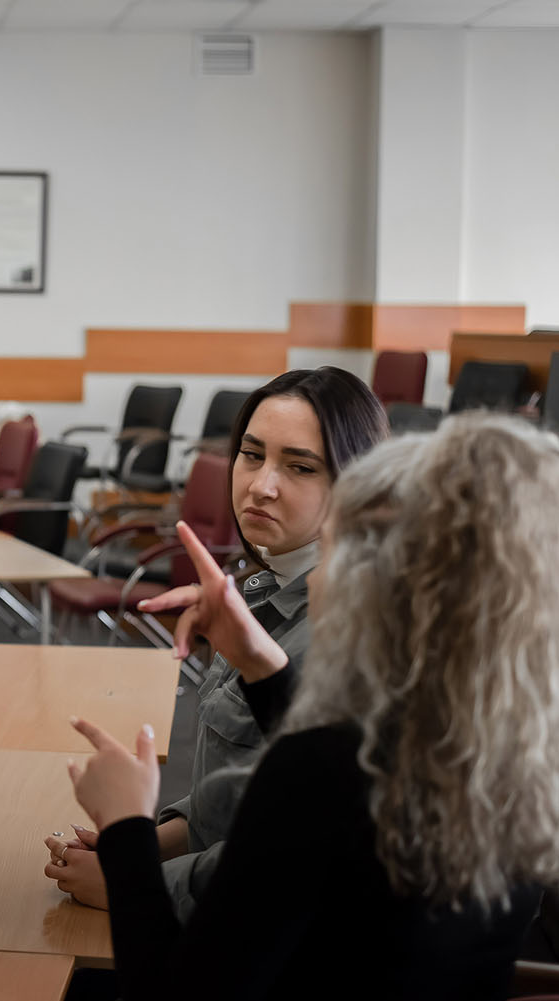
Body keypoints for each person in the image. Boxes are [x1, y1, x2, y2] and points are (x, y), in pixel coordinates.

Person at [59, 412, 558, 999]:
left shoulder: (322, 771)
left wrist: (126, 832)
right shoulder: (521, 751)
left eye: (332, 548)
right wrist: (262, 668)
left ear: (381, 585)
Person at [47, 367, 387, 918]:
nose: (260, 485)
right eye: (252, 455)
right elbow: (237, 800)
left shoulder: (350, 637)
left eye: (299, 467)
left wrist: (135, 882)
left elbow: (304, 852)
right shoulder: (258, 588)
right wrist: (144, 846)